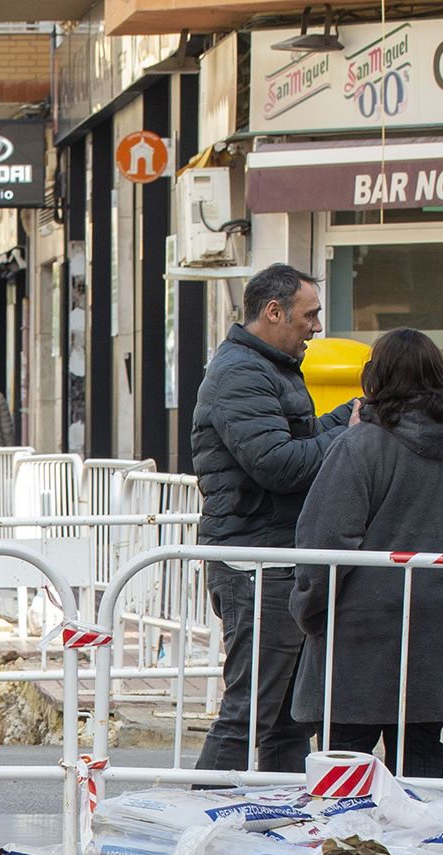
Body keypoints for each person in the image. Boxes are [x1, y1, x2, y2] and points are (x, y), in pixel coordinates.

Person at [289, 329, 443, 780]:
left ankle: (344, 850)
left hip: (360, 629)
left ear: (374, 377)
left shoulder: (360, 445)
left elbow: (325, 542)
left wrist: (308, 609)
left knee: (345, 772)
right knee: (420, 767)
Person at [188, 262, 358, 774]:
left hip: (275, 557)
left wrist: (348, 415)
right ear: (274, 311)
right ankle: (194, 823)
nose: (317, 327)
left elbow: (296, 441)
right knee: (248, 716)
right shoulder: (241, 372)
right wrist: (346, 433)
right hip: (255, 565)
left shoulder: (269, 367)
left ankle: (272, 825)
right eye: (310, 315)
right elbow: (279, 465)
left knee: (287, 721)